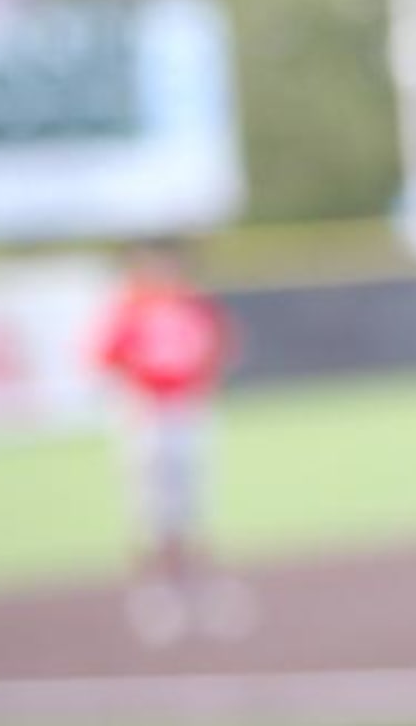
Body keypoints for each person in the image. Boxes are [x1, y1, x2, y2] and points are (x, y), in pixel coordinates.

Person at [91, 238, 250, 645]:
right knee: (149, 510)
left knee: (193, 505)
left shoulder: (195, 305)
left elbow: (222, 348)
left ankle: (204, 590)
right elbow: (105, 359)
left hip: (188, 411)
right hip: (147, 413)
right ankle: (154, 595)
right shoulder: (131, 309)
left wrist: (202, 386)